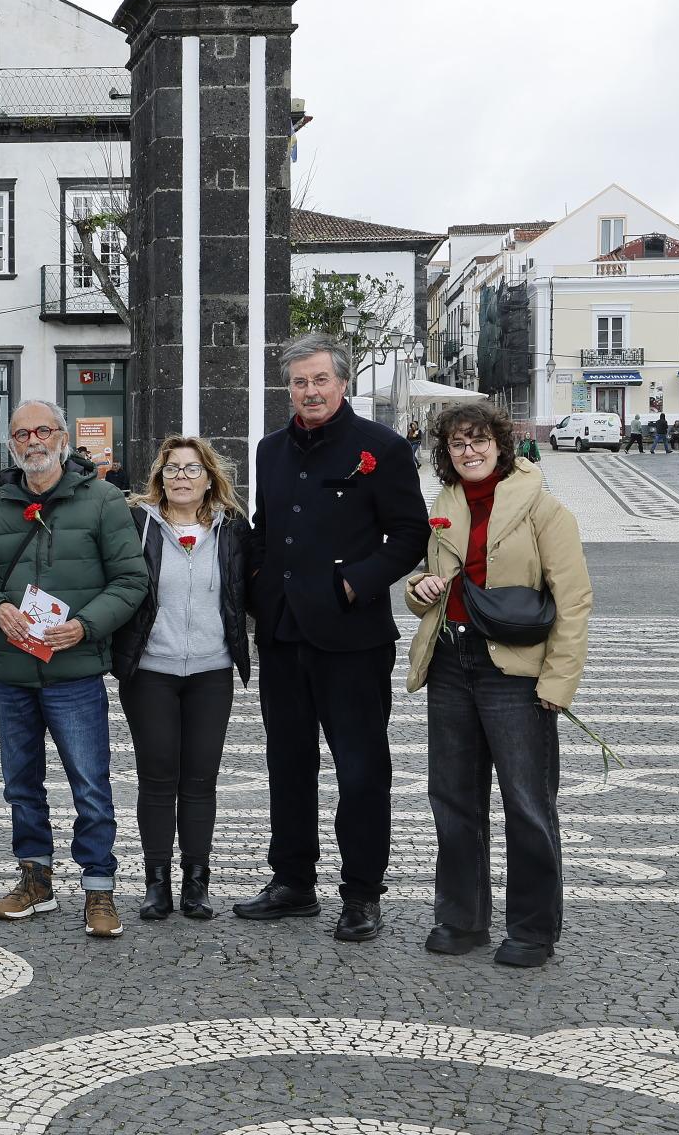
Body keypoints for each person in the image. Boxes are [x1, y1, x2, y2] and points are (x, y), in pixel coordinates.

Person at [239, 333, 427, 943]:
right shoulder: (269, 451)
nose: (310, 391)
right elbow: (266, 528)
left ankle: (362, 893)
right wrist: (260, 586)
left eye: (320, 380)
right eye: (298, 382)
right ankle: (292, 881)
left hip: (352, 635)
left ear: (343, 383)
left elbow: (409, 534)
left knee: (361, 770)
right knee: (287, 764)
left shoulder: (382, 448)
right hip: (284, 633)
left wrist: (356, 586)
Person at [0, 399, 147, 939]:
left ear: (62, 436)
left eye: (43, 430)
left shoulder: (104, 501)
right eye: (21, 433)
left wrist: (85, 626)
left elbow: (131, 581)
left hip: (75, 670)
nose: (32, 441)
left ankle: (100, 888)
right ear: (11, 443)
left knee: (89, 783)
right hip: (14, 672)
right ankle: (34, 879)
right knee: (21, 784)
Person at [406, 402, 591, 969]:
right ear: (446, 453)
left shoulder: (543, 507)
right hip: (450, 664)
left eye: (480, 440)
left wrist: (557, 684)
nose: (470, 451)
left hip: (515, 673)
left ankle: (533, 928)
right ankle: (461, 918)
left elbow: (574, 600)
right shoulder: (444, 505)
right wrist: (419, 590)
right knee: (453, 799)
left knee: (528, 802)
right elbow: (419, 578)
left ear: (501, 446)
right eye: (459, 443)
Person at [111, 436, 252, 923]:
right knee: (156, 778)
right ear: (160, 476)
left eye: (192, 469)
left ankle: (196, 882)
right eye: (172, 469)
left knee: (200, 779)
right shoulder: (137, 524)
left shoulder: (232, 528)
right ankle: (156, 883)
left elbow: (249, 589)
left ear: (209, 478)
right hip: (151, 670)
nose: (181, 477)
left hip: (212, 670)